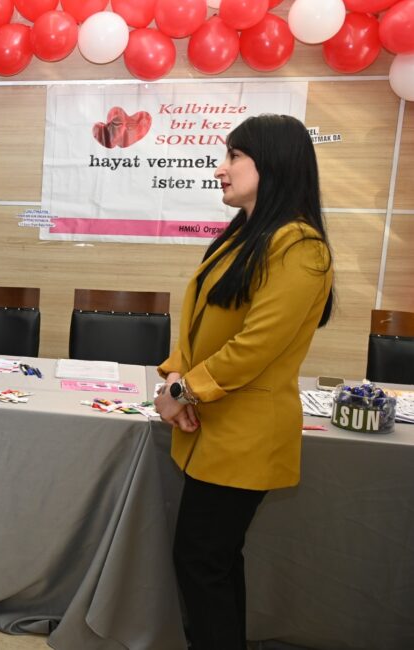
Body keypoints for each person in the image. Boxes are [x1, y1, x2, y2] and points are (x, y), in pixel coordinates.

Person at [154, 114, 334, 650]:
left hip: (247, 435)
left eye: (234, 157)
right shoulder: (248, 236)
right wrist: (176, 378)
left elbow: (255, 348)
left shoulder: (300, 248)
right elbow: (201, 321)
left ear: (272, 164)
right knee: (211, 561)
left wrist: (183, 392)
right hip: (214, 427)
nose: (220, 169)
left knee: (200, 561)